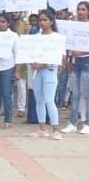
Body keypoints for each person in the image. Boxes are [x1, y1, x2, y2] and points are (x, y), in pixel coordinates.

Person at [30, 10, 63, 140]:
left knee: (49, 100)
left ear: (51, 21)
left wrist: (42, 65)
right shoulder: (36, 37)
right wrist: (32, 62)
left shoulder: (57, 38)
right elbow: (30, 53)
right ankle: (42, 128)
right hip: (36, 72)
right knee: (39, 100)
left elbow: (57, 57)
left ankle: (56, 129)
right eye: (40, 20)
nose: (42, 23)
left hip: (49, 72)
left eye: (45, 20)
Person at [61, 1, 89, 134]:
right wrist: (66, 60)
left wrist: (82, 52)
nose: (81, 12)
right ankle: (72, 123)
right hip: (74, 63)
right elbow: (66, 44)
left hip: (87, 62)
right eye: (79, 9)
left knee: (87, 94)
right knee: (75, 94)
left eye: (83, 9)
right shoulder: (72, 26)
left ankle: (87, 124)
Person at [0, 13, 19, 128]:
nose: (1, 24)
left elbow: (17, 54)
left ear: (8, 23)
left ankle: (8, 119)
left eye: (3, 22)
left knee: (6, 94)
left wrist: (17, 70)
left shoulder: (13, 36)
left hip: (7, 66)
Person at [9, 11, 29, 116]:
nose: (14, 13)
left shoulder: (25, 25)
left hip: (21, 57)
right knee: (8, 85)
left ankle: (21, 108)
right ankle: (8, 107)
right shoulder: (6, 23)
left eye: (17, 11)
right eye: (13, 11)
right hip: (8, 57)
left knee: (21, 84)